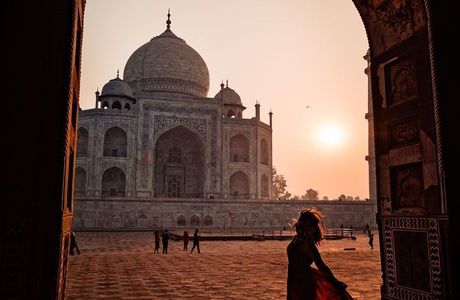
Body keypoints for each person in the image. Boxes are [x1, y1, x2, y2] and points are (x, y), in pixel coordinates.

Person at [287, 208, 353, 300]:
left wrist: (335, 282)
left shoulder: (306, 243)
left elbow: (321, 265)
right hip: (295, 280)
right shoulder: (298, 239)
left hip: (303, 281)